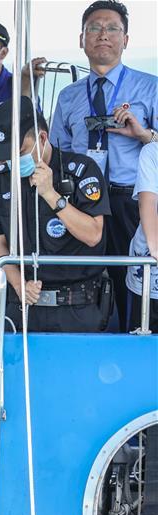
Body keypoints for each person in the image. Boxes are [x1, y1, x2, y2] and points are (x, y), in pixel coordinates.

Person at [50, 0, 158, 331]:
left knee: (133, 279)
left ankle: (131, 339)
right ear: (81, 38)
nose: (103, 35)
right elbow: (58, 152)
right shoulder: (68, 96)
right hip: (84, 201)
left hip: (131, 199)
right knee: (84, 276)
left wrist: (144, 134)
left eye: (112, 28)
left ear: (125, 39)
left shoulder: (149, 87)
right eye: (94, 27)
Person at [0, 98, 112, 333]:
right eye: (5, 154)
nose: (13, 160)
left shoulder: (81, 171)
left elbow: (93, 235)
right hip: (22, 305)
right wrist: (18, 285)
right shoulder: (0, 179)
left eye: (20, 152)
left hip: (76, 306)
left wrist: (52, 195)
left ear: (42, 138)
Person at [126, 142, 158, 332]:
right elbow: (148, 202)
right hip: (148, 270)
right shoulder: (152, 151)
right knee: (140, 344)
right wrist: (155, 249)